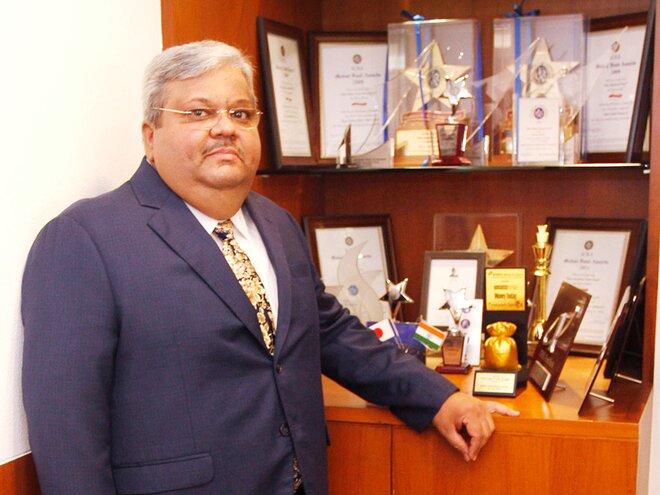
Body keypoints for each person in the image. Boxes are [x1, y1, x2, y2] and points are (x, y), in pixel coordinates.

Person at [22, 40, 518, 495]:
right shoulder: (86, 240)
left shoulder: (276, 223)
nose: (224, 127)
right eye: (198, 112)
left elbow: (329, 333)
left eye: (240, 113)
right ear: (150, 136)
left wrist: (437, 398)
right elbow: (67, 432)